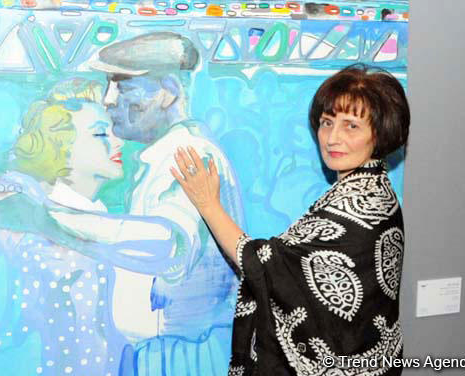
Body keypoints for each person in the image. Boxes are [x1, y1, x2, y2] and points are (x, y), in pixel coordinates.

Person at [171, 64, 410, 375]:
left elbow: (265, 265)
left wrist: (208, 204)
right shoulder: (374, 188)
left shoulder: (360, 206)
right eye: (326, 123)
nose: (332, 138)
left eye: (351, 126)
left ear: (379, 133)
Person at [0, 78, 181, 376]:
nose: (118, 141)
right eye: (100, 133)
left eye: (113, 130)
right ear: (61, 146)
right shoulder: (31, 221)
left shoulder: (88, 214)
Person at [89, 32, 246, 375]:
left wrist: (49, 219)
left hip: (181, 356)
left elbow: (170, 245)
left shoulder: (187, 156)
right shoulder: (166, 156)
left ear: (169, 91)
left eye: (123, 86)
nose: (108, 100)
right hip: (163, 352)